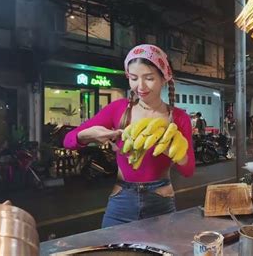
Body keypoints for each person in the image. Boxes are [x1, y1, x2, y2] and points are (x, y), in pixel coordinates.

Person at [63, 44, 195, 228]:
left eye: (149, 78)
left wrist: (178, 155)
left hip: (161, 200)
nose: (140, 86)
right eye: (133, 78)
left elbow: (189, 170)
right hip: (121, 201)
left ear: (164, 78)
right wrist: (86, 135)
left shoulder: (178, 118)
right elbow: (68, 140)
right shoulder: (118, 109)